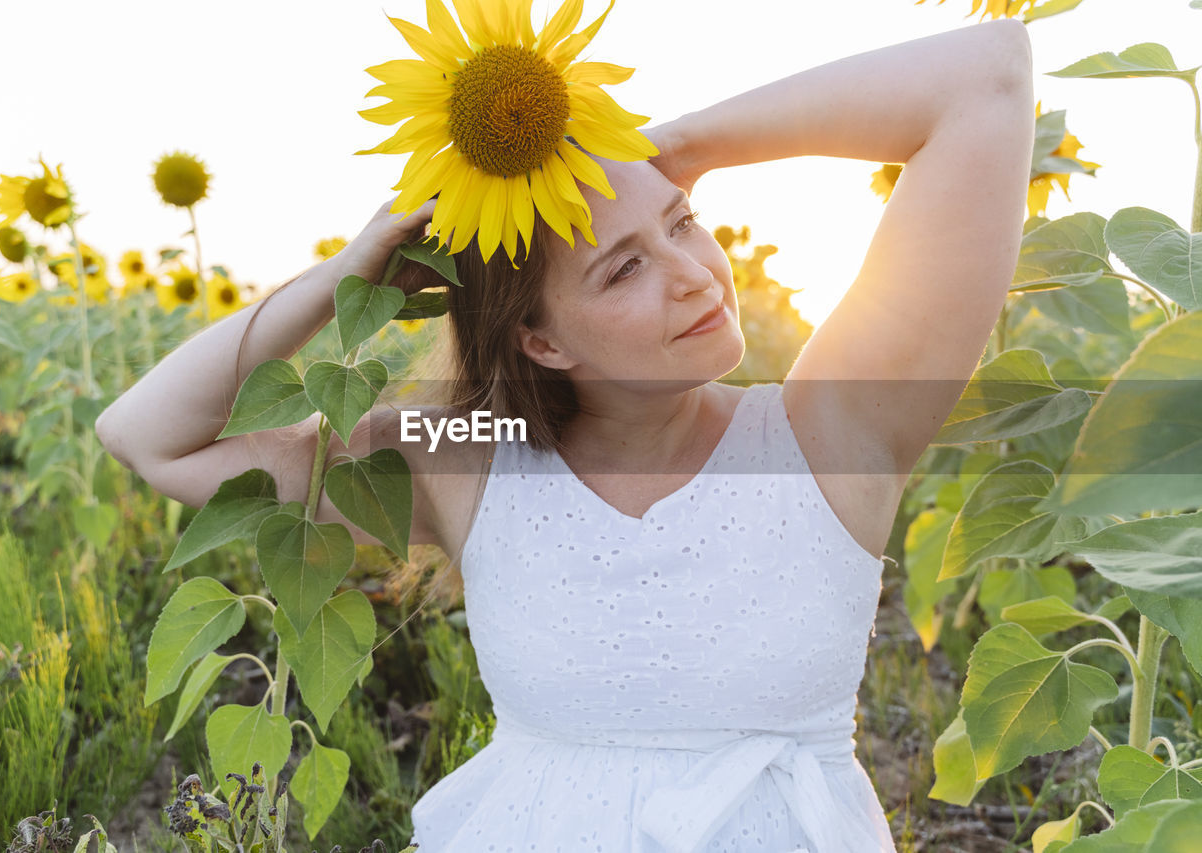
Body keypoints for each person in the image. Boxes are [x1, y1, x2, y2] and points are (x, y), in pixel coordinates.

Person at [96, 14, 1034, 853]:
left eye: (685, 222)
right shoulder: (465, 462)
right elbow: (150, 437)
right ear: (538, 340)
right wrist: (348, 272)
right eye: (624, 268)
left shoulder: (833, 429)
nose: (698, 275)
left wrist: (665, 144)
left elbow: (986, 71)